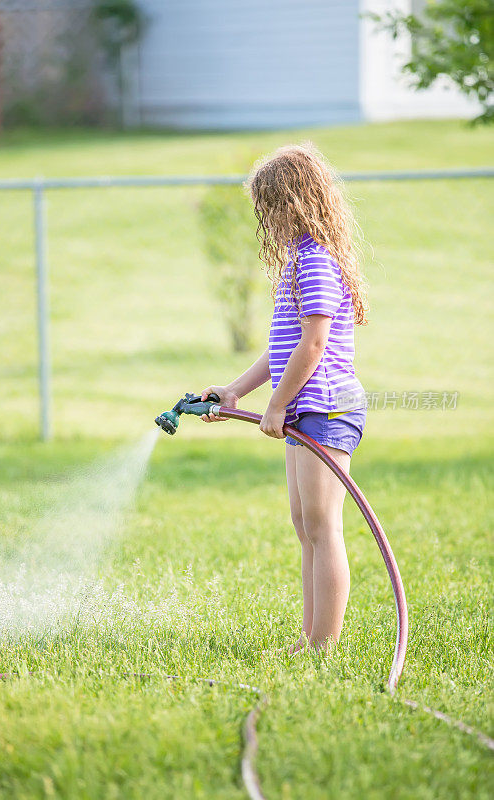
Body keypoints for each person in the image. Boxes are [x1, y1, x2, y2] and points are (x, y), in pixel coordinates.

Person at [200, 141, 369, 656]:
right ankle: (309, 637)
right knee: (304, 526)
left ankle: (323, 644)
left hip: (328, 407)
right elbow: (280, 352)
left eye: (268, 209)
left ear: (293, 204)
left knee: (322, 523)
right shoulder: (297, 262)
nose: (265, 221)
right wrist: (236, 391)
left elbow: (314, 344)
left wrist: (276, 406)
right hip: (304, 407)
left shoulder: (315, 262)